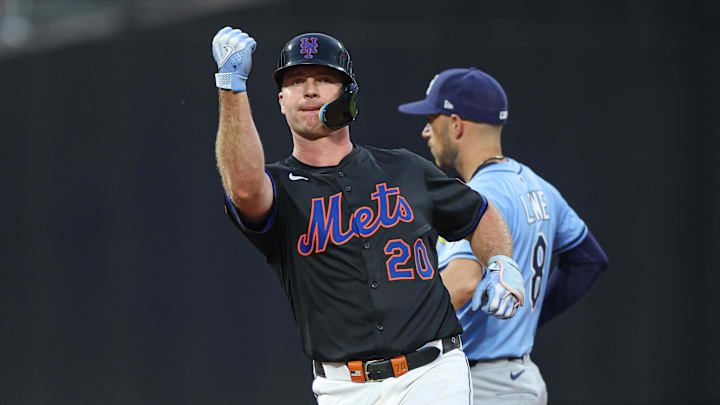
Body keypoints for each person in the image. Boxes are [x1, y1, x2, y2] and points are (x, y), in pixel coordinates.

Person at [212, 27, 527, 404]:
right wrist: (231, 88)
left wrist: (501, 259)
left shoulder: (405, 169)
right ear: (281, 100)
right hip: (343, 388)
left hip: (432, 374)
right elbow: (244, 189)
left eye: (325, 79)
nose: (309, 90)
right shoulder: (280, 187)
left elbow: (479, 213)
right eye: (296, 81)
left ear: (348, 94)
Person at [398, 67, 609, 405]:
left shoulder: (480, 195)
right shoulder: (538, 186)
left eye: (431, 118)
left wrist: (390, 334)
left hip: (483, 385)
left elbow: (462, 283)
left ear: (456, 124)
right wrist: (529, 317)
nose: (425, 131)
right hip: (519, 379)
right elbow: (588, 260)